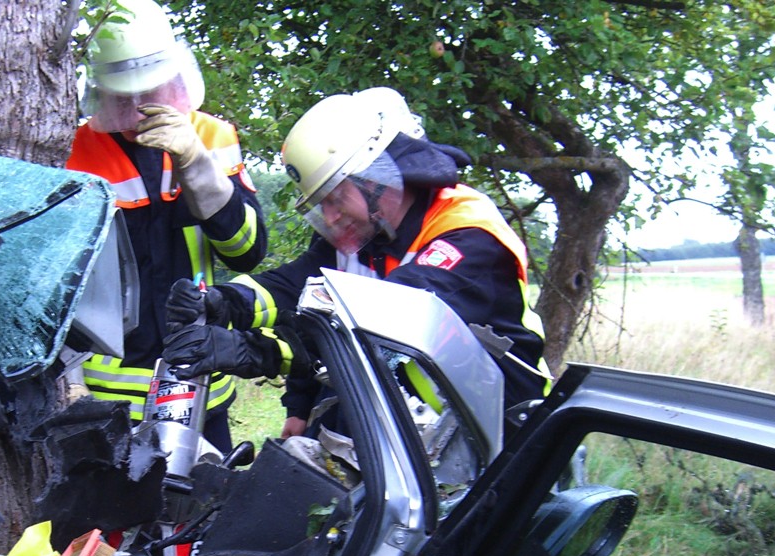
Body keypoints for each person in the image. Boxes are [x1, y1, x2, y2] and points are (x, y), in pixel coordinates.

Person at [161, 87, 550, 439]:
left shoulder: (467, 233)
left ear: (376, 179)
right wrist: (226, 301)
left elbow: (380, 325)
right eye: (321, 205)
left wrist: (256, 351)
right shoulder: (366, 230)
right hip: (414, 425)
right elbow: (297, 287)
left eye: (335, 198)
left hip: (501, 433)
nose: (330, 217)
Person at [66, 0, 267, 453]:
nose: (137, 110)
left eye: (149, 93)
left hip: (199, 387)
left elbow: (247, 251)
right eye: (123, 98)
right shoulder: (75, 153)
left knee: (208, 496)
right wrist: (71, 381)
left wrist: (197, 166)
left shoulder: (211, 137)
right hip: (107, 401)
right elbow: (59, 285)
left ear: (174, 79)